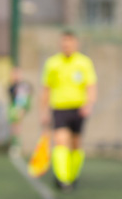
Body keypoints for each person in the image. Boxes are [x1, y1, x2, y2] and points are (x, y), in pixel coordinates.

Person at [40, 29, 97, 190]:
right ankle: (63, 179)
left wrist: (89, 104)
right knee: (60, 141)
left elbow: (91, 86)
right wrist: (43, 111)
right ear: (60, 44)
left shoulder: (84, 63)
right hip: (59, 108)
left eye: (70, 41)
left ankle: (72, 175)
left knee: (76, 144)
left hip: (78, 109)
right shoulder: (52, 63)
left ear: (75, 43)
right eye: (64, 41)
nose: (66, 45)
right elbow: (46, 89)